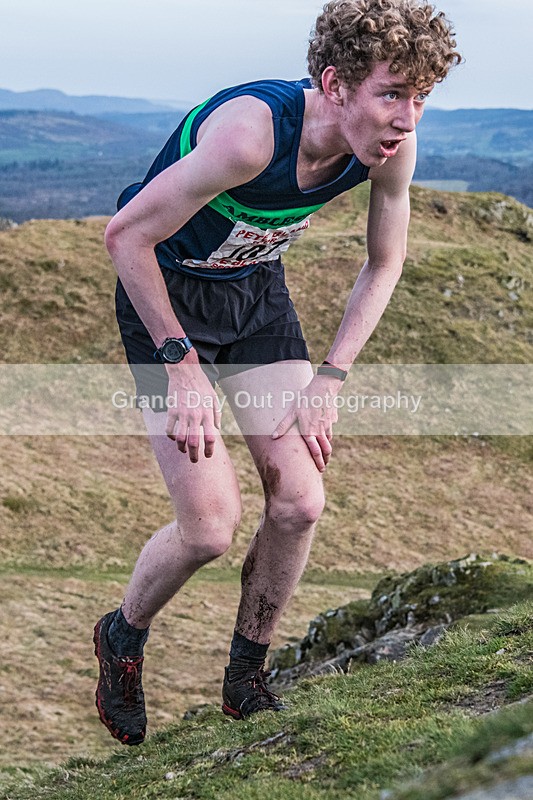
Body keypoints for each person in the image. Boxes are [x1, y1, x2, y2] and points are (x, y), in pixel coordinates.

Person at [94, 0, 461, 745]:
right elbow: (125, 236)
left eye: (420, 98)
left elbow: (384, 261)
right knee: (209, 528)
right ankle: (122, 636)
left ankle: (245, 678)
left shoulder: (390, 151)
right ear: (334, 84)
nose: (407, 119)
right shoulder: (248, 137)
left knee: (299, 501)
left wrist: (330, 377)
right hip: (165, 302)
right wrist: (182, 367)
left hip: (256, 301)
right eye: (391, 94)